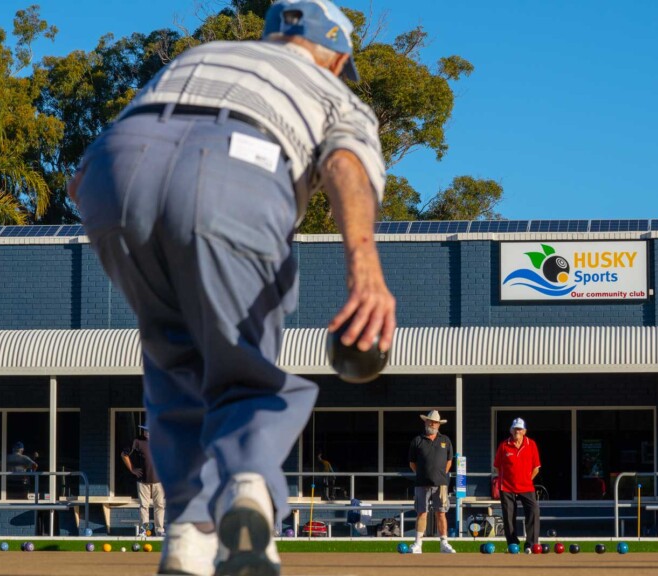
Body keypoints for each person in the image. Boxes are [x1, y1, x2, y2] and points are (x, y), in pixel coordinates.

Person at [69, 0, 395, 573]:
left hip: (114, 172)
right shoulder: (333, 92)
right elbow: (346, 162)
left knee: (176, 361)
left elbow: (128, 139)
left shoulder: (207, 53)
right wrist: (364, 265)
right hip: (236, 166)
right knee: (242, 364)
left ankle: (188, 539)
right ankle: (248, 489)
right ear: (337, 55)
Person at [407, 410, 455, 554]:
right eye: (429, 421)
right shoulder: (417, 440)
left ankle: (444, 544)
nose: (432, 424)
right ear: (425, 422)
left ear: (438, 425)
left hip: (441, 484)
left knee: (441, 513)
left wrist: (439, 475)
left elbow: (449, 462)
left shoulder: (445, 440)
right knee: (422, 513)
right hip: (421, 483)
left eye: (434, 422)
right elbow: (412, 463)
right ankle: (418, 544)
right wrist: (424, 474)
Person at [492, 418, 541, 551]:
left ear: (524, 431)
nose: (517, 431)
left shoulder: (531, 444)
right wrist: (505, 478)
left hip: (526, 486)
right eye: (515, 429)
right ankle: (512, 543)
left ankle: (531, 544)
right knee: (508, 515)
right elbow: (497, 466)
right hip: (507, 486)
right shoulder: (504, 445)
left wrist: (526, 478)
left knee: (533, 511)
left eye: (519, 429)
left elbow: (536, 468)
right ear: (511, 430)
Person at [121, 425, 166, 537]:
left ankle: (159, 530)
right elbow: (124, 454)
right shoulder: (137, 442)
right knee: (144, 506)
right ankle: (144, 530)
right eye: (145, 430)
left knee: (159, 505)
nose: (147, 432)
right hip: (142, 480)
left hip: (158, 480)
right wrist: (132, 469)